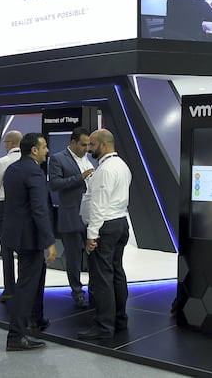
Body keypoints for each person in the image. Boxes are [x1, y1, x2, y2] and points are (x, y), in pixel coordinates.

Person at [2, 133, 57, 352]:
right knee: (26, 286)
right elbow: (39, 209)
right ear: (34, 150)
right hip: (30, 237)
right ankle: (16, 335)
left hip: (15, 234)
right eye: (44, 147)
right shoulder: (34, 172)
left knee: (28, 281)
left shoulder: (13, 169)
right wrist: (49, 241)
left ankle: (35, 320)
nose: (47, 151)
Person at [78, 129, 131, 340]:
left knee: (102, 279)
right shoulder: (122, 166)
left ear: (104, 145)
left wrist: (92, 235)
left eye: (92, 145)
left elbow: (99, 205)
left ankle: (103, 326)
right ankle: (119, 320)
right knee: (116, 273)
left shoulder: (105, 170)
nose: (88, 149)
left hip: (105, 227)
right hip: (119, 223)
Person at [48, 127, 95, 310]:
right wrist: (79, 177)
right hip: (70, 215)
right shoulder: (58, 159)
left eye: (89, 144)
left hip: (90, 216)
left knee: (93, 256)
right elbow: (54, 184)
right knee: (74, 258)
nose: (87, 148)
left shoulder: (90, 160)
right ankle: (77, 293)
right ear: (73, 142)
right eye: (83, 144)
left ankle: (94, 290)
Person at [0, 130, 22, 302]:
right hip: (23, 208)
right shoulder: (29, 161)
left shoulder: (3, 162)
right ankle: (24, 288)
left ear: (9, 143)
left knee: (7, 249)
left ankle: (9, 289)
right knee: (24, 248)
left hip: (5, 206)